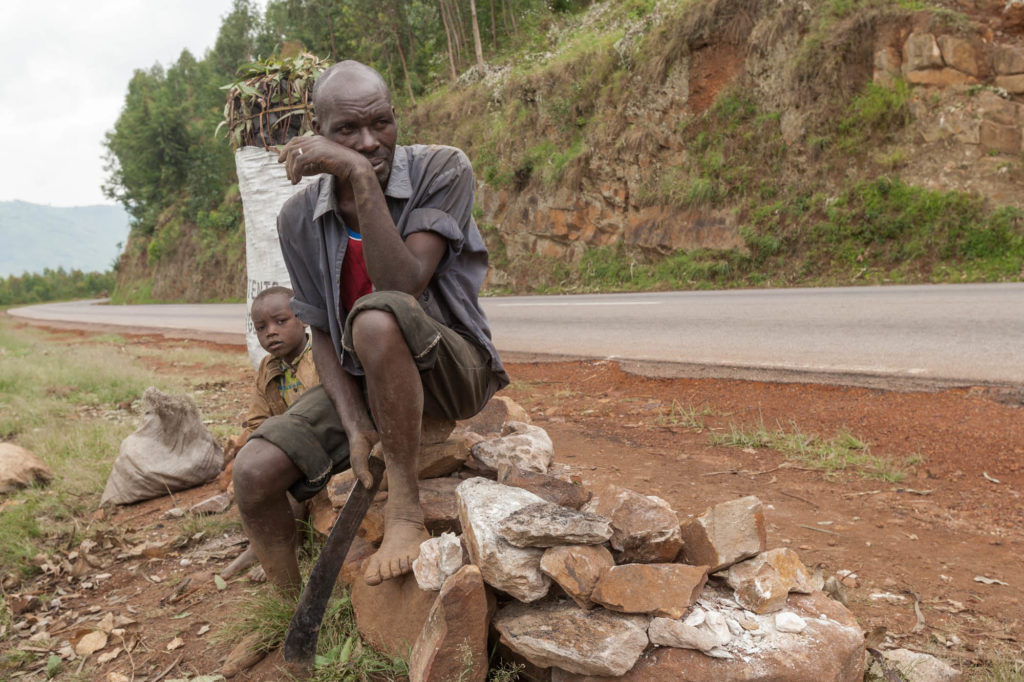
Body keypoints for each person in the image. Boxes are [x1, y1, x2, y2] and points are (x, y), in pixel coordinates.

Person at [232, 59, 509, 595]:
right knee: (253, 471)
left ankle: (405, 512)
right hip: (364, 374)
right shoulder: (296, 218)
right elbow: (321, 330)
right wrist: (356, 425)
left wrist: (358, 177)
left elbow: (401, 283)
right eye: (347, 131)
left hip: (451, 366)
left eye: (381, 123)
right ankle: (293, 611)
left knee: (378, 316)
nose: (369, 142)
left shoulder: (442, 170)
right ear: (319, 130)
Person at [220, 285, 319, 581]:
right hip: (285, 447)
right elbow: (257, 420)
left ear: (302, 319)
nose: (270, 333)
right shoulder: (268, 367)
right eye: (261, 328)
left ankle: (286, 548)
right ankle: (261, 547)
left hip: (321, 446)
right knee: (251, 475)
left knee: (293, 484)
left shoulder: (319, 356)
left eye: (281, 322)